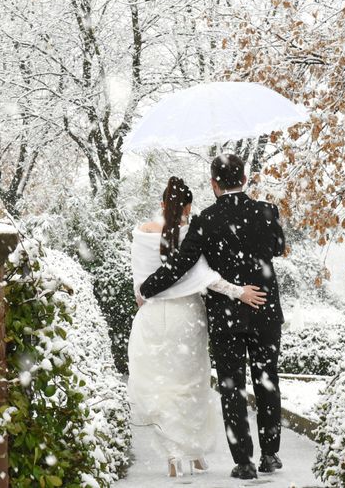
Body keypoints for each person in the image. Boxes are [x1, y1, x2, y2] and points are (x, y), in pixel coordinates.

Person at [139, 154, 286, 480]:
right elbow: (277, 247)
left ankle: (244, 461)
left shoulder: (206, 219)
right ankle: (271, 454)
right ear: (244, 180)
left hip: (227, 315)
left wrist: (147, 288)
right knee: (268, 380)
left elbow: (181, 265)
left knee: (232, 387)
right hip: (265, 312)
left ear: (213, 183)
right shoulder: (266, 211)